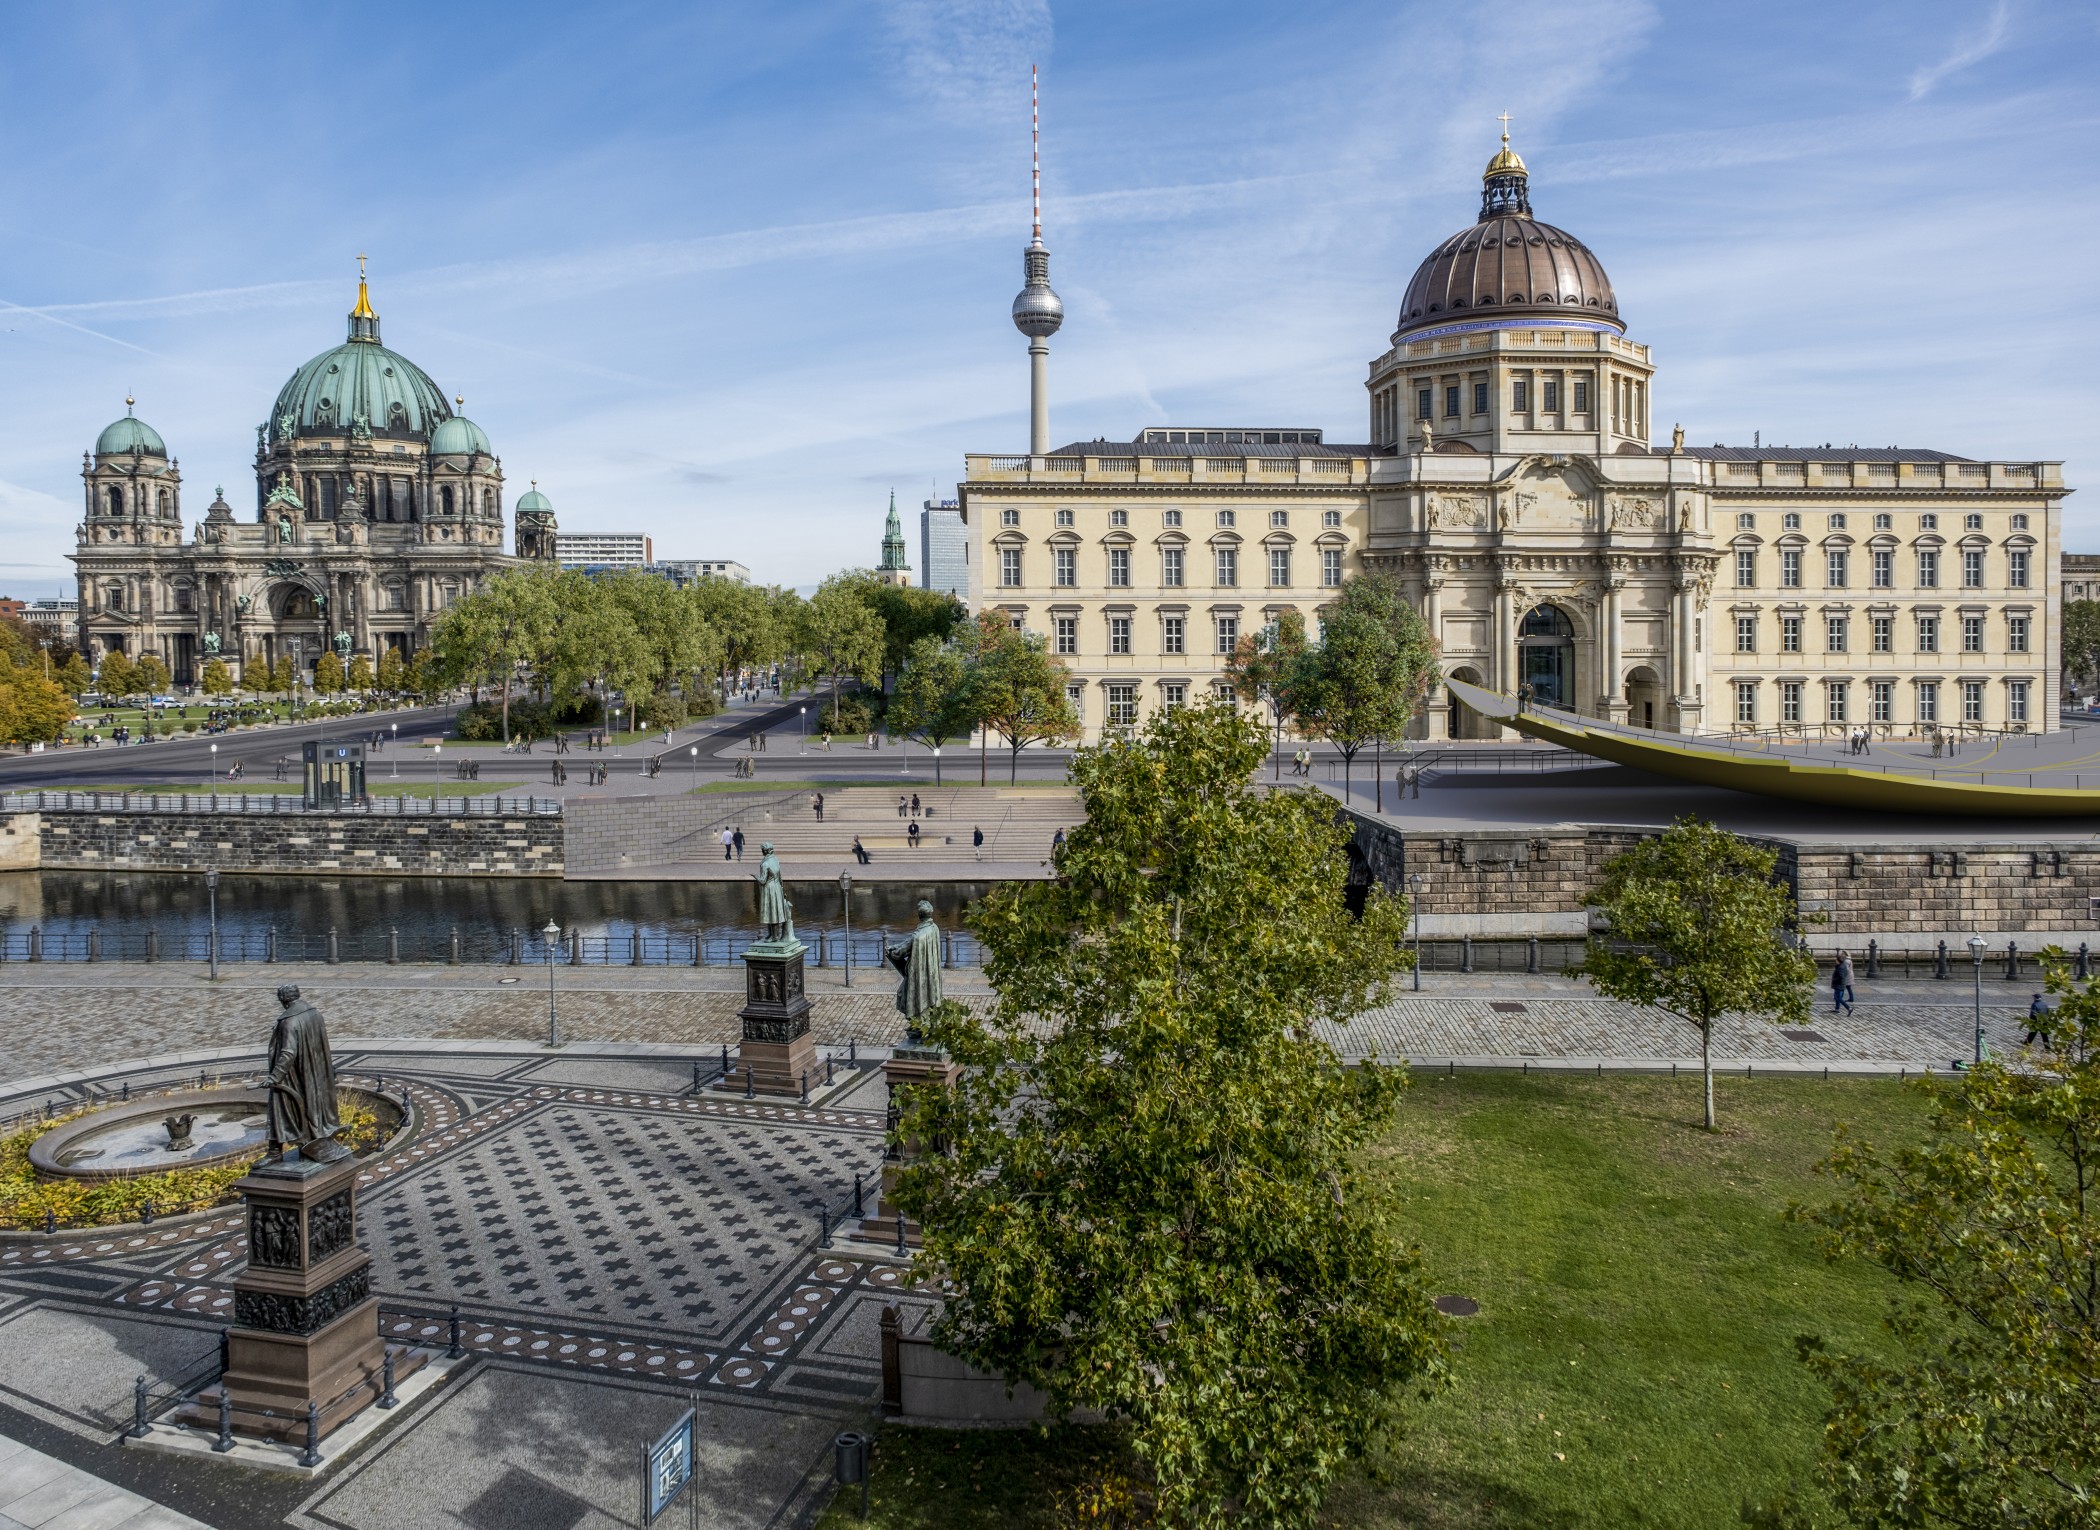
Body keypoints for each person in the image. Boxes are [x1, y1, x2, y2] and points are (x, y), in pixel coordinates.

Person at [1831, 951, 1855, 1015]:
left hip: (1839, 984)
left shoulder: (1841, 967)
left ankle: (1848, 1008)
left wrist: (1835, 980)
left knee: (1838, 998)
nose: (1835, 961)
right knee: (1837, 997)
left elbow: (1841, 976)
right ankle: (1837, 1009)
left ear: (1838, 961)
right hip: (1840, 984)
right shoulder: (1842, 966)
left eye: (1836, 960)